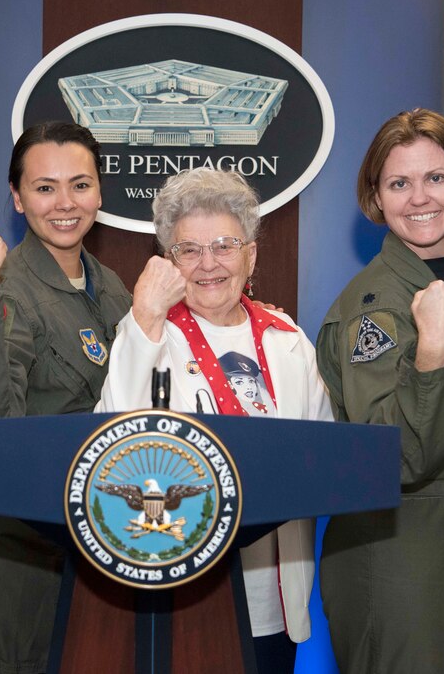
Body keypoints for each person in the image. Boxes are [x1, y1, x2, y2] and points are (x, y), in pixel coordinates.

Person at [95, 167, 334, 673]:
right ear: (167, 259)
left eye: (224, 245)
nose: (208, 264)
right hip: (185, 594)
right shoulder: (147, 330)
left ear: (251, 253)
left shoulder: (287, 338)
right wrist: (143, 318)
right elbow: (110, 442)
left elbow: (325, 454)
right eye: (189, 250)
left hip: (277, 597)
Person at [316, 109, 444, 673]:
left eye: (434, 177)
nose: (418, 198)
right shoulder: (374, 310)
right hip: (403, 571)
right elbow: (396, 459)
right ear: (377, 199)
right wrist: (432, 354)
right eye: (398, 183)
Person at [0, 121, 132, 673]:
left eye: (80, 184)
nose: (65, 203)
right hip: (4, 543)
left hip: (79, 540)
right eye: (45, 188)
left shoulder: (112, 286)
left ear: (100, 191)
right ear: (18, 199)